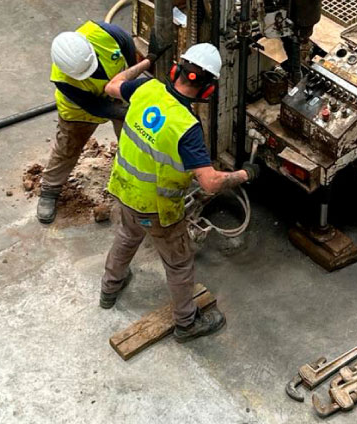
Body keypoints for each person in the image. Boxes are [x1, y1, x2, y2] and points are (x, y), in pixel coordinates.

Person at [99, 42, 258, 342]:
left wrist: (146, 62)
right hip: (156, 210)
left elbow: (112, 86)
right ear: (208, 90)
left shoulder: (146, 89)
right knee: (179, 264)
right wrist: (244, 174)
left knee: (127, 235)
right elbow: (210, 183)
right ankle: (186, 323)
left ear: (175, 70)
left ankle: (109, 288)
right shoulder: (187, 128)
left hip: (123, 189)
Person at [36, 20, 151, 224]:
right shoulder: (62, 78)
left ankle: (132, 179)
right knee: (67, 148)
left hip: (118, 93)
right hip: (79, 111)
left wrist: (132, 83)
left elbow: (130, 59)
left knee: (132, 140)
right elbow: (98, 108)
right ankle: (50, 189)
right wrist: (133, 110)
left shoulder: (108, 35)